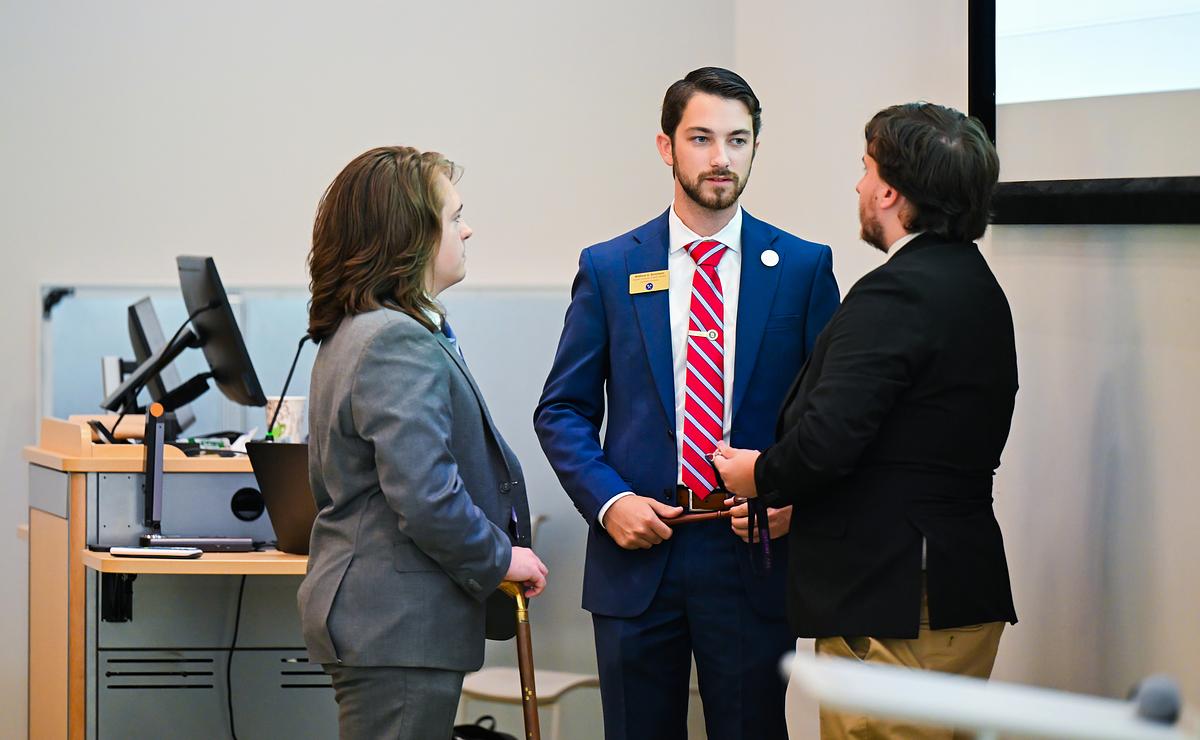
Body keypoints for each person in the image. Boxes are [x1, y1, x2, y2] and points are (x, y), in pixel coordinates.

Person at [534, 67, 839, 740]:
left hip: (751, 551)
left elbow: (832, 418)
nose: (721, 158)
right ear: (666, 147)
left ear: (756, 147)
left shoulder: (802, 268)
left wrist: (799, 499)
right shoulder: (611, 267)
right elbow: (561, 410)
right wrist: (611, 502)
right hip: (638, 549)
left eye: (738, 139)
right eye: (701, 138)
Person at [714, 102, 1019, 740]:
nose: (857, 186)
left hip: (893, 601)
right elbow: (909, 448)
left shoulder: (895, 293)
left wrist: (759, 475)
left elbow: (827, 442)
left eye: (864, 170)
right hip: (961, 588)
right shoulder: (979, 287)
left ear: (888, 190)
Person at [297, 145, 548, 740]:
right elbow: (426, 495)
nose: (468, 229)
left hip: (387, 622)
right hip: (398, 625)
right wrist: (500, 557)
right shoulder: (393, 339)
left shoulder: (361, 330)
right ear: (412, 235)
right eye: (454, 215)